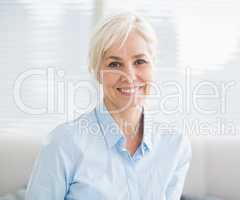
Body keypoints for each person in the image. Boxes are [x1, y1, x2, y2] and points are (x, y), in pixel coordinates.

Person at [25, 11, 192, 200]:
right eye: (114, 64)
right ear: (97, 72)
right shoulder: (63, 144)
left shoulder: (175, 145)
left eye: (140, 61)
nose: (129, 75)